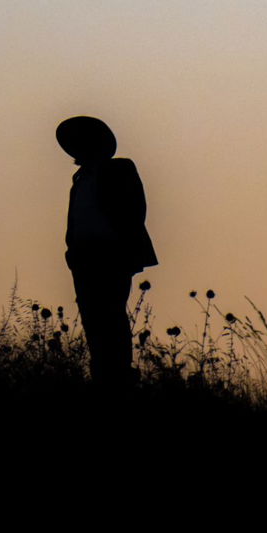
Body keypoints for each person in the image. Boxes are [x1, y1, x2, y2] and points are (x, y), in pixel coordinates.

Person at [55, 116, 158, 385]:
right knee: (92, 315)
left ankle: (119, 375)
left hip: (111, 254)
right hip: (84, 257)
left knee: (110, 314)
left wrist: (122, 246)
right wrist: (72, 251)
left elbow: (134, 210)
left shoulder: (119, 170)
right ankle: (102, 373)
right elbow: (76, 219)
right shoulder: (80, 179)